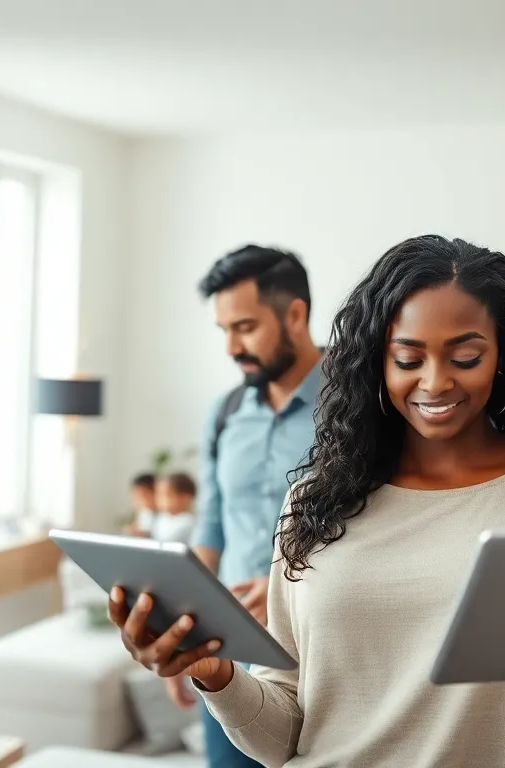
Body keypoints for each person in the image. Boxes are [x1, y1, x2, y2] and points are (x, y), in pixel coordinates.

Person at [110, 236, 505, 767]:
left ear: (503, 356)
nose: (434, 383)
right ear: (376, 361)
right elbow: (283, 736)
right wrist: (211, 670)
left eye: (466, 357)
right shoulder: (311, 501)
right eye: (408, 358)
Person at [163, 245, 324, 766]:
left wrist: (291, 584)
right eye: (224, 330)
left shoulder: (359, 410)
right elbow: (213, 521)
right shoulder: (226, 411)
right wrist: (183, 629)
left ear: (295, 315)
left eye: (246, 327)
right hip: (227, 654)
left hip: (316, 655)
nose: (232, 346)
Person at [127, 473, 198, 544]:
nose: (159, 499)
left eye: (166, 495)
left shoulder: (187, 522)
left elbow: (166, 543)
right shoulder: (162, 518)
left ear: (185, 498)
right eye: (158, 494)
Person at [123, 472, 159, 536]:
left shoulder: (165, 516)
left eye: (142, 495)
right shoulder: (144, 513)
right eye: (135, 496)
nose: (138, 500)